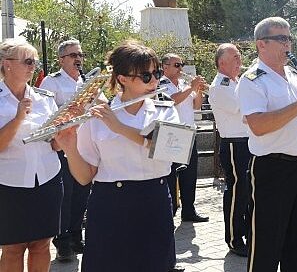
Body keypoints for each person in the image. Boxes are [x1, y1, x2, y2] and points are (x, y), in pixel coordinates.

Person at [55, 41, 182, 272]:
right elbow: (85, 177)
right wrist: (70, 147)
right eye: (146, 76)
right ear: (122, 78)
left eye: (156, 73)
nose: (154, 81)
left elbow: (170, 149)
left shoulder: (165, 109)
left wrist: (119, 127)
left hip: (153, 199)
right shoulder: (97, 117)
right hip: (110, 203)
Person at [236, 17, 297, 271]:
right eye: (281, 39)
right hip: (272, 170)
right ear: (261, 44)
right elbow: (258, 125)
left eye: (289, 38)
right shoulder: (252, 79)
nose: (288, 44)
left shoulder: (296, 76)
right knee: (267, 244)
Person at [0, 39, 63, 272]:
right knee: (13, 248)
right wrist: (17, 119)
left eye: (34, 61)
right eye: (27, 61)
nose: (33, 66)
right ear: (7, 64)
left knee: (41, 245)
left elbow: (57, 145)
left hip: (47, 178)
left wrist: (64, 132)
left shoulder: (45, 99)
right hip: (9, 183)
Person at [39, 39, 91, 261]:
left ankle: (76, 236)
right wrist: (71, 108)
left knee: (82, 194)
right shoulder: (52, 82)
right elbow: (46, 116)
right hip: (63, 146)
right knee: (65, 196)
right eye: (72, 55)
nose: (78, 59)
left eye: (80, 55)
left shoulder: (88, 82)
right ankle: (62, 242)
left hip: (86, 146)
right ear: (61, 59)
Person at [208, 43, 250, 257]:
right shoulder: (220, 86)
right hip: (234, 144)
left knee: (249, 191)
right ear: (221, 62)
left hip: (248, 142)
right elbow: (244, 107)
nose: (239, 61)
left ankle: (248, 233)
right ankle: (234, 238)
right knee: (237, 191)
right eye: (234, 57)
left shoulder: (236, 82)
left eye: (239, 56)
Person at [160, 53, 209, 223]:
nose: (181, 68)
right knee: (171, 175)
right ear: (165, 67)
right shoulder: (161, 84)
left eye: (181, 64)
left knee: (190, 175)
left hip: (189, 133)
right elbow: (172, 101)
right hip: (172, 134)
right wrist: (191, 87)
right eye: (177, 65)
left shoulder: (183, 84)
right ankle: (170, 210)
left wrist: (200, 90)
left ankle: (189, 210)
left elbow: (196, 106)